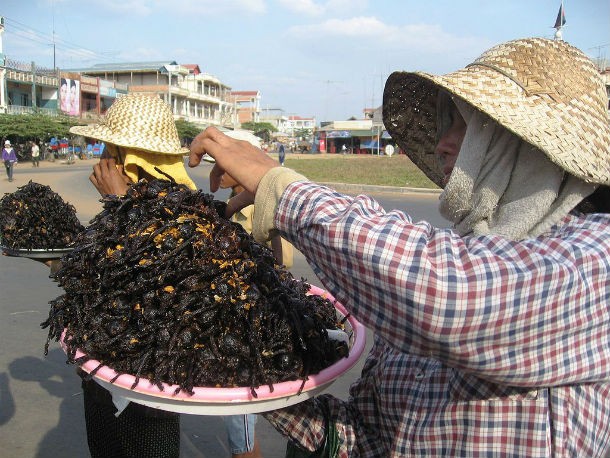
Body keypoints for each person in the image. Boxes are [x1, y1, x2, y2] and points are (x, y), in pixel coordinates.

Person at [189, 37, 610, 457]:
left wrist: (279, 188)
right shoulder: (465, 250)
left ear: (523, 144)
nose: (443, 142)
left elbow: (448, 298)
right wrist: (250, 377)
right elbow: (366, 437)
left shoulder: (594, 257)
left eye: (465, 125)